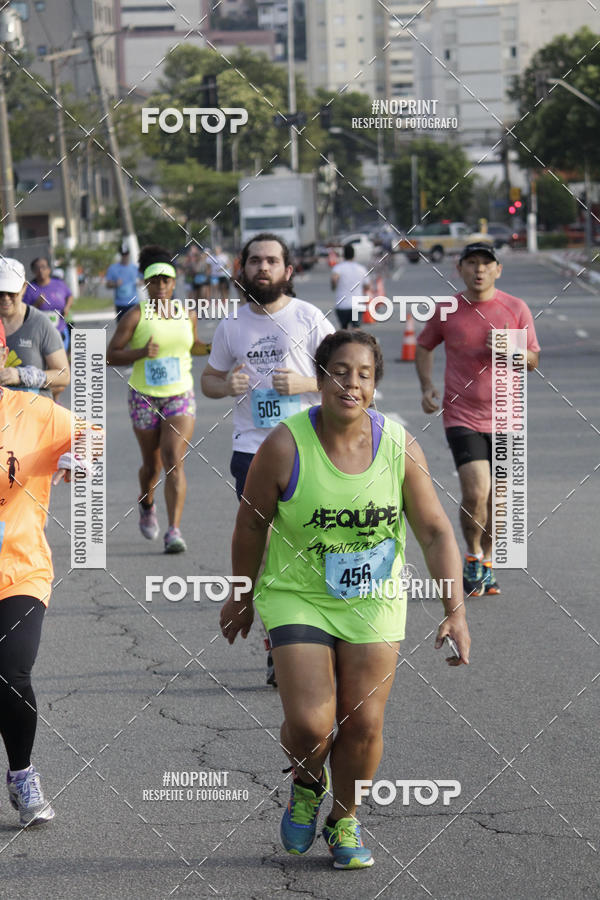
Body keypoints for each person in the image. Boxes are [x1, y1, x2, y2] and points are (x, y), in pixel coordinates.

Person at [219, 329, 470, 869]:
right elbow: (251, 523)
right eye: (340, 371)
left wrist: (455, 610)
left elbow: (434, 532)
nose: (350, 382)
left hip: (373, 598)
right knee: (312, 724)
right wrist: (239, 594)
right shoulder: (285, 444)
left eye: (364, 374)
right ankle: (308, 781)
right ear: (322, 378)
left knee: (363, 723)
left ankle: (344, 818)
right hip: (298, 595)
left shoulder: (400, 447)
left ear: (375, 386)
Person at [201, 232, 335, 684]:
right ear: (243, 269)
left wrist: (305, 385)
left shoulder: (309, 318)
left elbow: (347, 378)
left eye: (272, 261)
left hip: (307, 450)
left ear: (288, 271)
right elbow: (209, 380)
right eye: (255, 260)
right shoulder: (231, 326)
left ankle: (317, 635)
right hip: (251, 452)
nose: (263, 267)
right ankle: (278, 645)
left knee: (307, 548)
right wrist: (227, 387)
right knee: (261, 555)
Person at [415, 242, 540, 597]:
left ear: (498, 269)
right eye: (471, 263)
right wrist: (427, 386)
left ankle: (485, 561)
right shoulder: (448, 309)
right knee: (476, 492)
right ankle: (472, 556)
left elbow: (532, 361)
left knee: (498, 504)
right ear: (460, 269)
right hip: (462, 414)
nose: (479, 270)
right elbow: (424, 346)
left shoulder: (515, 308)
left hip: (506, 415)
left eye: (486, 263)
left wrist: (511, 351)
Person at [0, 317, 75, 826]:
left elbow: (89, 435)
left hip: (19, 569)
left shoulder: (33, 412)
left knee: (11, 671)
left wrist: (79, 457)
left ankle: (22, 773)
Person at [107, 244, 203, 553]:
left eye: (166, 280)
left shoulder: (187, 315)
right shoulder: (136, 316)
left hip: (179, 395)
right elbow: (110, 356)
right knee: (152, 465)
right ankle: (147, 503)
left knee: (174, 458)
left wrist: (220, 350)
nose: (160, 286)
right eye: (154, 281)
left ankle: (174, 531)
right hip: (144, 397)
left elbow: (195, 347)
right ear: (146, 284)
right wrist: (140, 353)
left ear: (174, 283)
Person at [0, 258, 70, 402]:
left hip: (34, 415)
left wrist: (23, 376)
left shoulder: (40, 324)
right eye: (0, 293)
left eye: (12, 292)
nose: (5, 298)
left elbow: (64, 376)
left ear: (24, 288)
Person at [23, 257, 73, 352]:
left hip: (60, 329)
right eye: (37, 268)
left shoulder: (59, 284)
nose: (41, 270)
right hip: (39, 333)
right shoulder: (29, 289)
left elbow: (69, 296)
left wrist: (67, 307)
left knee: (62, 357)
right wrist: (36, 304)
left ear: (49, 269)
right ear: (33, 271)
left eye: (43, 267)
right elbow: (24, 312)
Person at [330, 244, 370, 329]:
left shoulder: (338, 268)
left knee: (344, 330)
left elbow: (334, 279)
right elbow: (367, 286)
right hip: (357, 304)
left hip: (342, 304)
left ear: (343, 255)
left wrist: (334, 286)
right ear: (354, 255)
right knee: (356, 328)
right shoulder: (361, 269)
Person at [105, 243, 141, 321]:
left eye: (126, 254)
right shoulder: (113, 268)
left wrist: (139, 283)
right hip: (120, 304)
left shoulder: (135, 268)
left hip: (133, 303)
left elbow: (144, 280)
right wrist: (115, 284)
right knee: (122, 327)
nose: (125, 257)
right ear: (120, 255)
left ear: (129, 254)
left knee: (135, 326)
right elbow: (107, 284)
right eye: (123, 254)